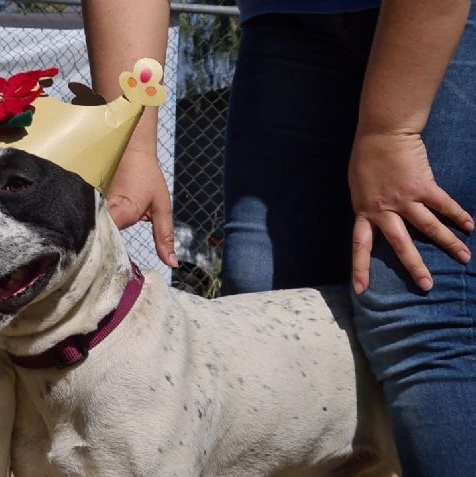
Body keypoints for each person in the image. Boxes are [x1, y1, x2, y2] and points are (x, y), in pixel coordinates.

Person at [84, 1, 476, 475]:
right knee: (260, 301)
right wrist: (133, 143)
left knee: (418, 315)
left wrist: (390, 133)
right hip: (287, 20)